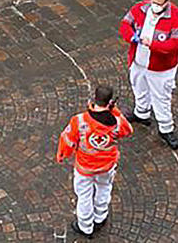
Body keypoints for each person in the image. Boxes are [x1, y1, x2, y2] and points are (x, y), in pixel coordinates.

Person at [56, 85, 133, 239]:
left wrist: (62, 154)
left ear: (94, 98)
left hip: (85, 167)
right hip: (107, 166)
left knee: (84, 195)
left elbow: (68, 140)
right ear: (110, 102)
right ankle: (100, 217)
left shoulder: (79, 120)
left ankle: (85, 226)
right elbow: (128, 131)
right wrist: (115, 111)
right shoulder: (116, 121)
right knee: (104, 188)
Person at [118, 0, 178, 150]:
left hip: (161, 69)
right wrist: (130, 36)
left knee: (161, 97)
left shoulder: (177, 17)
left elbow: (175, 44)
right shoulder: (140, 8)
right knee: (138, 86)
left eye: (159, 3)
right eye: (153, 1)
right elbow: (125, 24)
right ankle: (142, 113)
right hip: (139, 61)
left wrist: (153, 44)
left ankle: (166, 129)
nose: (155, 6)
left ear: (167, 2)